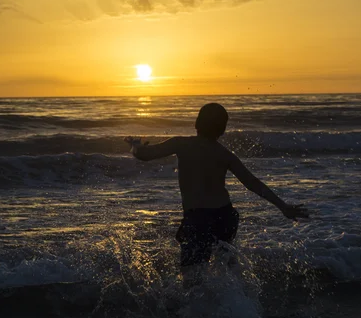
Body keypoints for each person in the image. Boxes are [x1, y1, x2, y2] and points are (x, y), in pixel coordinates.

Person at [126, 103, 308, 284]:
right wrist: (282, 206)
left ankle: (201, 309)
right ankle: (236, 303)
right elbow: (252, 183)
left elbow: (144, 155)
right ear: (222, 130)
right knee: (225, 271)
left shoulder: (181, 144)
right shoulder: (225, 154)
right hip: (225, 217)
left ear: (196, 123)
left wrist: (135, 145)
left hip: (197, 218)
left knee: (192, 277)